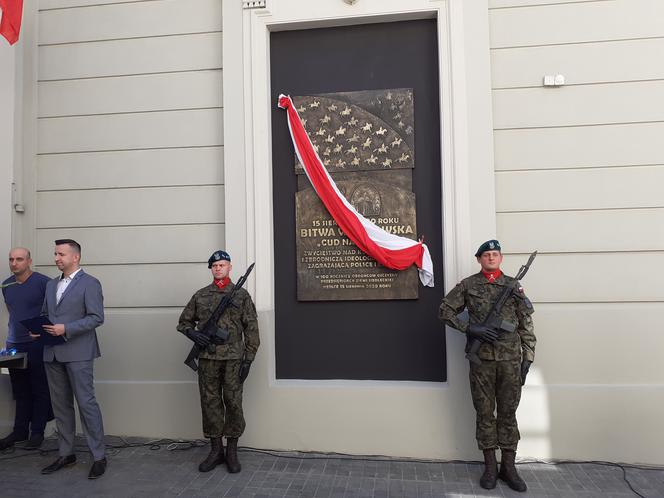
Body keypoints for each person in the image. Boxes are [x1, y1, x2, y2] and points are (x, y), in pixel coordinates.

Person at [439, 240, 535, 492]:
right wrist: (470, 328)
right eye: (486, 255)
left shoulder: (513, 286)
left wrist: (528, 357)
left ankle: (509, 468)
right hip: (481, 361)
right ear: (479, 259)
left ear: (500, 258)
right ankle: (490, 467)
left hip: (510, 361)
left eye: (495, 254)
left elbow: (526, 323)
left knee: (507, 413)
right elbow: (444, 310)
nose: (491, 258)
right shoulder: (469, 285)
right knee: (484, 414)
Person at [177, 250, 260, 474]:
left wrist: (248, 360)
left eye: (222, 265)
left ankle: (231, 450)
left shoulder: (241, 296)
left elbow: (251, 329)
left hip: (233, 358)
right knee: (210, 403)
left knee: (233, 402)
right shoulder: (201, 295)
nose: (218, 269)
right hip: (207, 358)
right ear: (211, 269)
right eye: (215, 266)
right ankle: (216, 450)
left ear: (229, 267)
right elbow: (183, 322)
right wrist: (193, 335)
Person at [39, 239, 107, 479]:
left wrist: (65, 328)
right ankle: (66, 453)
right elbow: (47, 314)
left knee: (86, 404)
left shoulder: (90, 283)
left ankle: (98, 456)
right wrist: (40, 328)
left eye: (61, 254)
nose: (56, 258)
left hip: (79, 352)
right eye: (55, 253)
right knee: (61, 406)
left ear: (75, 257)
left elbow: (96, 317)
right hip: (52, 352)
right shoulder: (50, 285)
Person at [0, 248, 53, 450]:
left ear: (29, 261)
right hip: (14, 344)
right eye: (11, 259)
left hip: (36, 344)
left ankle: (37, 432)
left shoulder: (43, 283)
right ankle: (19, 431)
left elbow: (52, 310)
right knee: (20, 390)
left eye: (19, 259)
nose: (14, 263)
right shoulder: (6, 284)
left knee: (39, 388)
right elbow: (13, 310)